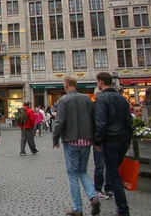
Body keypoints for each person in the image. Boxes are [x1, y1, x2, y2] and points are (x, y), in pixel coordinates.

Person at [53, 76, 101, 216]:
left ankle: (77, 208)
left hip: (72, 140)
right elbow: (93, 118)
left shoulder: (63, 100)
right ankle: (93, 197)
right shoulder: (87, 98)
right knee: (83, 171)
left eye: (63, 84)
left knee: (72, 175)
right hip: (86, 141)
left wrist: (55, 138)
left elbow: (60, 121)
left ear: (67, 85)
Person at [95, 72, 133, 216]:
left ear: (101, 82)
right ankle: (120, 205)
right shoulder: (121, 98)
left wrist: (97, 141)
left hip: (110, 140)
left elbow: (101, 123)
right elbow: (129, 122)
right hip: (122, 139)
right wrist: (128, 139)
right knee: (114, 171)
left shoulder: (102, 99)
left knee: (113, 174)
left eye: (97, 82)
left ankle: (123, 209)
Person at [92, 87, 112, 200]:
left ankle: (106, 188)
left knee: (106, 165)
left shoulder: (105, 105)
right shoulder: (95, 106)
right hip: (101, 139)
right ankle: (99, 188)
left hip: (104, 138)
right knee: (100, 165)